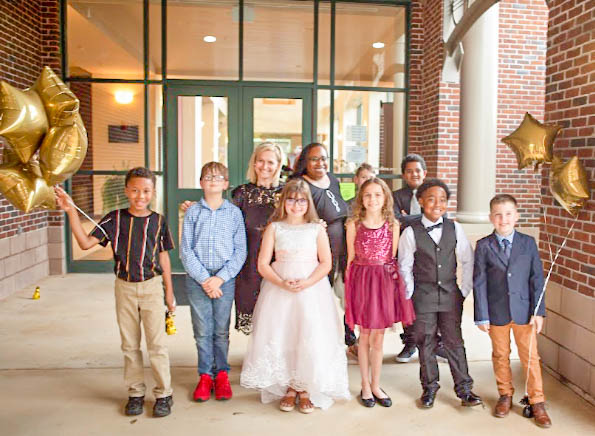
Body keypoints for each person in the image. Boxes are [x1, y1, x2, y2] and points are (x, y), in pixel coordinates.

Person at [54, 167, 176, 418]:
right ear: (126, 191)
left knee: (157, 345)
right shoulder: (114, 219)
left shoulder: (159, 221)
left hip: (152, 287)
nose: (140, 196)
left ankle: (164, 393)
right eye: (135, 190)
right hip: (125, 288)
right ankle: (135, 393)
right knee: (130, 344)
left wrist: (169, 293)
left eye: (146, 191)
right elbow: (85, 243)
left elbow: (164, 258)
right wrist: (71, 211)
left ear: (153, 192)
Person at [240, 179, 350, 413]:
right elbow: (262, 264)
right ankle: (290, 387)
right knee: (284, 334)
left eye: (301, 201)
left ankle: (305, 387)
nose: (296, 205)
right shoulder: (275, 228)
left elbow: (326, 263)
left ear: (308, 203)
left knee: (307, 333)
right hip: (279, 290)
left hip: (311, 290)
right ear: (283, 202)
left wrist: (307, 282)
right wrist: (281, 282)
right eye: (291, 200)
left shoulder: (316, 229)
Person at [398, 179, 482, 409]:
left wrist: (464, 290)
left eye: (443, 200)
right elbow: (404, 265)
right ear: (421, 201)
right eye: (432, 199)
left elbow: (468, 260)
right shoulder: (410, 232)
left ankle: (464, 389)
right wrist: (411, 293)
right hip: (423, 297)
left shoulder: (455, 228)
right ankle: (429, 388)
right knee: (425, 341)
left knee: (454, 341)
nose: (437, 204)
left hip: (450, 296)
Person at [474, 194, 551, 428]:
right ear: (491, 218)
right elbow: (480, 282)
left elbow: (536, 279)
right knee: (500, 355)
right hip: (496, 311)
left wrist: (538, 311)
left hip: (524, 311)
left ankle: (537, 400)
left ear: (516, 216)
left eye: (508, 214)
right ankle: (505, 394)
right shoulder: (484, 245)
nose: (503, 219)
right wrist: (481, 314)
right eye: (498, 215)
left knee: (530, 357)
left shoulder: (528, 243)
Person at [345, 178, 415, 408]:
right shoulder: (354, 224)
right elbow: (350, 260)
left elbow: (391, 258)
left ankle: (376, 384)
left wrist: (393, 290)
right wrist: (350, 291)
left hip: (383, 283)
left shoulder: (392, 225)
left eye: (377, 194)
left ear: (385, 198)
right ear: (361, 199)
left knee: (378, 338)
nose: (372, 199)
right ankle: (365, 385)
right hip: (362, 282)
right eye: (367, 195)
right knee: (364, 336)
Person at [180, 162, 247, 403]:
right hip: (197, 279)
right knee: (202, 331)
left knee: (220, 330)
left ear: (226, 184)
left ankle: (221, 375)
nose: (212, 181)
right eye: (208, 177)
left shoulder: (234, 214)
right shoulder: (193, 213)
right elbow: (186, 250)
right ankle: (205, 375)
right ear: (201, 183)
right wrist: (204, 279)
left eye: (218, 177)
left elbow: (240, 251)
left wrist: (219, 279)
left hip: (224, 279)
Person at [292, 143, 354, 349]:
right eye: (314, 159)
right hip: (318, 253)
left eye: (324, 158)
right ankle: (315, 344)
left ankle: (348, 337)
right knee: (319, 298)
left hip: (342, 248)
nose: (320, 163)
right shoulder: (300, 184)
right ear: (305, 162)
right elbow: (294, 215)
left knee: (347, 294)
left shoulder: (333, 180)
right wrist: (312, 223)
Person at [392, 154, 446, 363]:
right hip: (405, 255)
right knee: (407, 298)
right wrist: (424, 217)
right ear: (403, 175)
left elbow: (440, 219)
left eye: (417, 170)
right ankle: (410, 343)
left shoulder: (435, 193)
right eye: (409, 171)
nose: (414, 174)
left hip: (431, 256)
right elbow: (396, 220)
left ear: (424, 173)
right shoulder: (396, 197)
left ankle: (437, 344)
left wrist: (409, 218)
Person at [231, 143, 284, 334]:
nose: (265, 166)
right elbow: (228, 223)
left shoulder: (286, 192)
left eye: (270, 162)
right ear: (254, 163)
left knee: (278, 316)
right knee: (253, 318)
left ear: (278, 165)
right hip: (249, 262)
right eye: (260, 161)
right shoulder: (242, 193)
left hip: (279, 263)